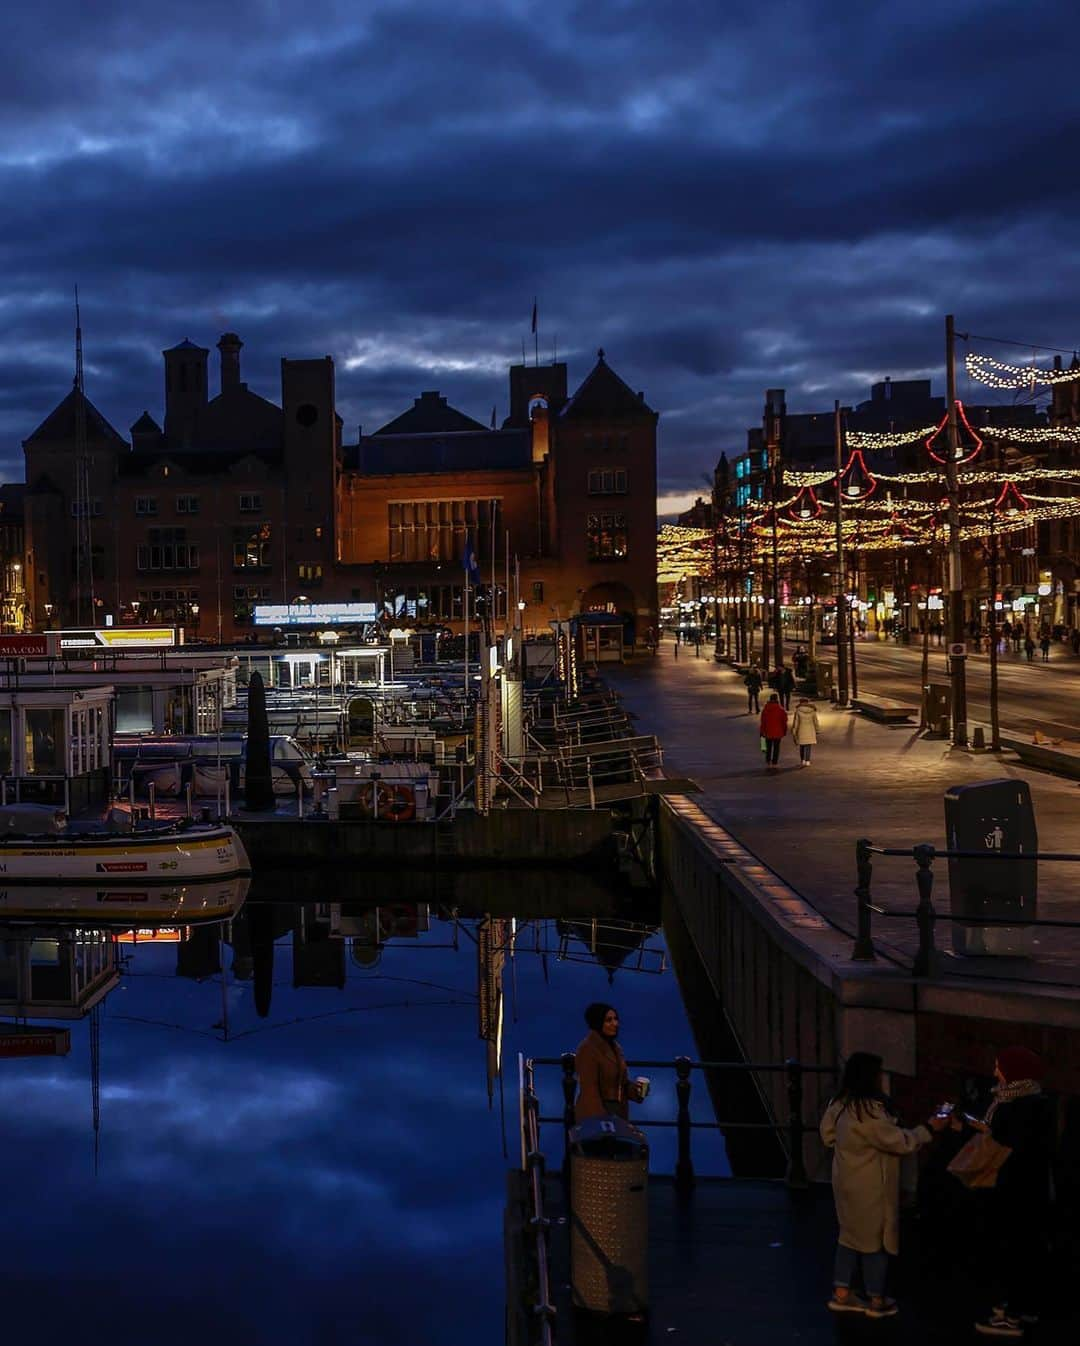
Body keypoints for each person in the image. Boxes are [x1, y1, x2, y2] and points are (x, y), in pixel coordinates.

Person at [820, 1052, 947, 1318]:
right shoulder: (870, 1115)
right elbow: (901, 1142)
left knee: (848, 1236)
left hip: (845, 1183)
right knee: (875, 1242)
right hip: (871, 1188)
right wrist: (930, 1127)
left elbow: (827, 1135)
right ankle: (876, 1299)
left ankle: (842, 1292)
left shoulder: (840, 1106)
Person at [956, 1047, 1054, 1338]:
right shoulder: (1038, 1100)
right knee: (1028, 1248)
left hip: (1015, 1187)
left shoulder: (1013, 1105)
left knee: (1015, 1248)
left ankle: (1012, 1316)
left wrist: (966, 1127)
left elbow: (1001, 1138)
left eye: (1000, 1067)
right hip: (1033, 1187)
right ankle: (1024, 1306)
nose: (995, 1072)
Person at [573, 1002, 646, 1122]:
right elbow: (589, 1091)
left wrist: (637, 1090)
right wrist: (601, 1121)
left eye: (616, 1019)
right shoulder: (588, 1049)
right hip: (597, 1115)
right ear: (598, 1023)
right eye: (609, 1020)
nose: (615, 1024)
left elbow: (620, 1084)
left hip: (616, 1113)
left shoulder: (615, 1048)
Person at [759, 693, 788, 770]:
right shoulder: (781, 710)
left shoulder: (765, 710)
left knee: (768, 747)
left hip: (767, 731)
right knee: (776, 748)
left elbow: (763, 722)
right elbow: (784, 722)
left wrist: (762, 731)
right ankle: (775, 762)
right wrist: (784, 731)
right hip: (778, 732)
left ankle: (768, 761)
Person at [791, 696, 819, 766]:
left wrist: (794, 730)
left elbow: (796, 722)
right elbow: (815, 721)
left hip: (801, 730)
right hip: (810, 730)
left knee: (802, 746)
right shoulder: (812, 710)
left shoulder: (798, 711)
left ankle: (802, 760)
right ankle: (808, 760)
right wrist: (817, 729)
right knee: (808, 746)